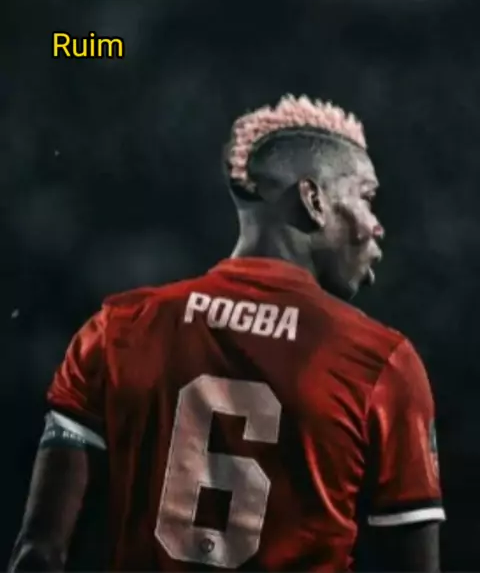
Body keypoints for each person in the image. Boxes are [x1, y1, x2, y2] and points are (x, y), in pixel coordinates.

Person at [9, 95, 445, 572]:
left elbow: (39, 553)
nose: (377, 225)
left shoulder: (117, 329)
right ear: (313, 200)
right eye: (367, 197)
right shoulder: (380, 362)